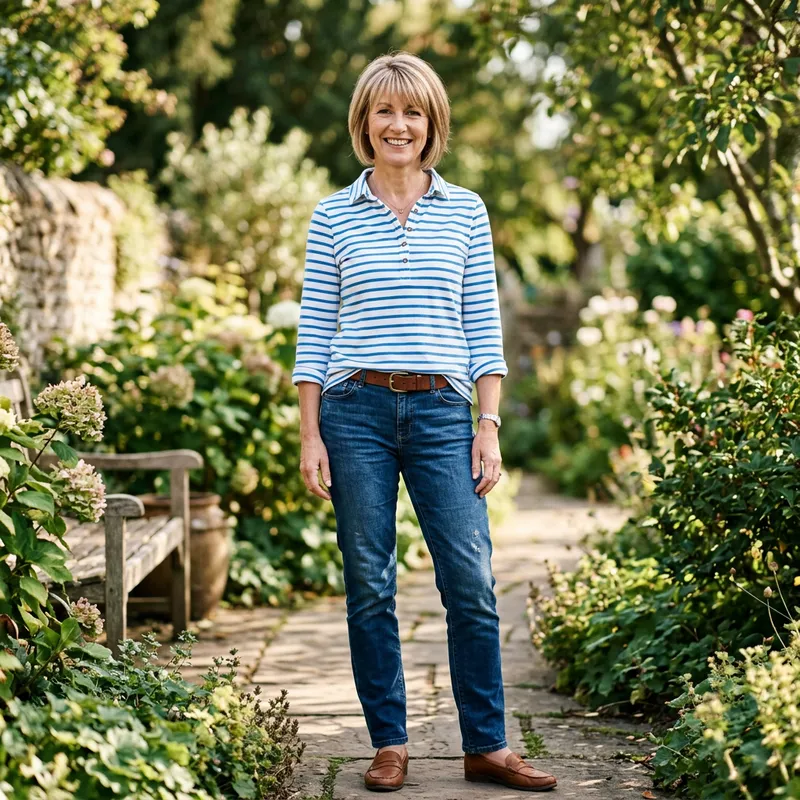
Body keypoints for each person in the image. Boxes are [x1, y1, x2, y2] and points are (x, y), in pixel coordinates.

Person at [292, 51, 557, 793]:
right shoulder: (333, 215)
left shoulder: (466, 210)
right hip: (355, 412)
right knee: (369, 583)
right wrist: (311, 435)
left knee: (470, 581)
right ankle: (390, 744)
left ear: (432, 123)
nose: (398, 124)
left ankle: (487, 746)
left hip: (443, 411)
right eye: (384, 110)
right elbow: (314, 333)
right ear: (364, 122)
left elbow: (484, 327)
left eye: (413, 111)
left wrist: (488, 423)